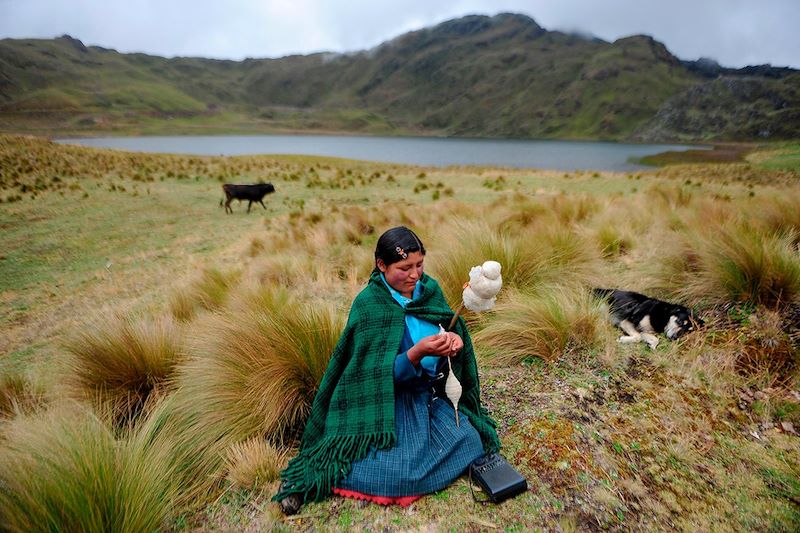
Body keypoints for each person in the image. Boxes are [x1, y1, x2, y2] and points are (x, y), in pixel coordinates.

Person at [274, 226, 500, 514]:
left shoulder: (429, 291)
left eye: (419, 265)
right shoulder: (369, 306)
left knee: (471, 440)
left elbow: (447, 328)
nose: (415, 274)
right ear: (381, 265)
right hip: (384, 401)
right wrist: (417, 353)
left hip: (426, 397)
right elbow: (372, 373)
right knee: (400, 472)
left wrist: (453, 343)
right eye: (405, 267)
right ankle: (314, 478)